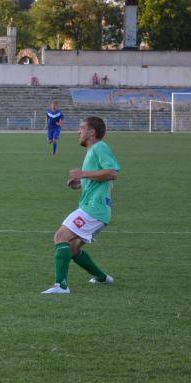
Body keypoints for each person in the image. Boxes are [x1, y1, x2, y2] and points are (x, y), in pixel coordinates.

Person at [43, 116, 120, 294]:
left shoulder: (100, 147)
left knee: (61, 236)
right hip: (97, 210)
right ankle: (102, 278)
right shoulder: (93, 150)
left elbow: (112, 173)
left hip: (93, 209)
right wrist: (80, 183)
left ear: (92, 132)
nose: (78, 131)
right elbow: (100, 177)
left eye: (82, 128)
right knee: (72, 248)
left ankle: (61, 286)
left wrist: (83, 174)